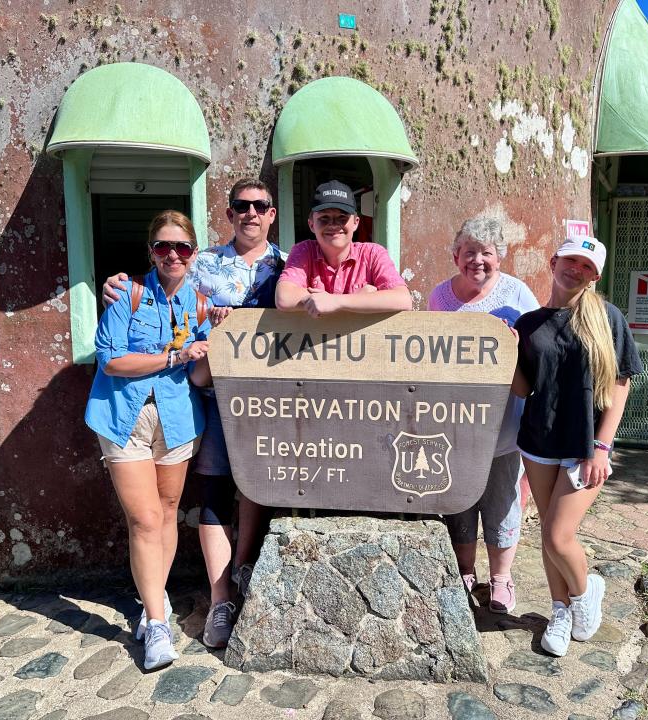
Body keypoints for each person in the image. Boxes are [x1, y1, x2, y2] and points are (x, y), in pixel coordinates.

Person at [103, 178, 284, 649]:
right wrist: (116, 285)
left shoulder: (287, 266)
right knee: (211, 495)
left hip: (273, 402)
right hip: (207, 399)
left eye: (259, 205)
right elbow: (166, 291)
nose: (250, 212)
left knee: (260, 488)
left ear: (271, 213)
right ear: (228, 214)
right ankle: (215, 600)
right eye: (241, 206)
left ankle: (237, 576)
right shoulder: (203, 266)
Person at [85, 210, 212, 670]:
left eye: (182, 247)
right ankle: (158, 626)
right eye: (164, 247)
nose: (173, 255)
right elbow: (112, 362)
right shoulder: (128, 296)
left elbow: (196, 376)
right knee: (143, 519)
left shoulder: (199, 305)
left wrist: (211, 350)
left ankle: (150, 603)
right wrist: (176, 354)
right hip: (126, 418)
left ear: (193, 254)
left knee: (167, 514)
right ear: (151, 252)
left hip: (177, 420)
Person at [511, 235, 643, 657]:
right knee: (549, 538)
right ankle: (559, 609)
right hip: (538, 441)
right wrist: (506, 349)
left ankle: (586, 594)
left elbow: (621, 386)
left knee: (557, 534)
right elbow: (522, 388)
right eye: (570, 260)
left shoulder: (607, 317)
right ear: (553, 262)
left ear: (595, 275)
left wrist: (602, 447)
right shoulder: (530, 323)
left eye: (586, 266)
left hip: (586, 445)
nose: (576, 269)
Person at [427, 215, 539, 614]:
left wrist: (517, 344)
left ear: (499, 257)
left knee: (502, 498)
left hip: (504, 421)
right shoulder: (440, 297)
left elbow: (538, 349)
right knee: (458, 498)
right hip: (453, 422)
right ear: (456, 256)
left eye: (486, 253)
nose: (477, 260)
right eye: (469, 252)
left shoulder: (518, 293)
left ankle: (502, 579)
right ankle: (464, 573)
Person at [275, 180, 412, 315]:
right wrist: (360, 300)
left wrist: (336, 301)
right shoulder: (303, 251)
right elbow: (284, 297)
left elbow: (403, 299)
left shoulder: (373, 254)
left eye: (342, 217)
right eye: (324, 218)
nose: (333, 225)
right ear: (311, 224)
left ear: (355, 223)